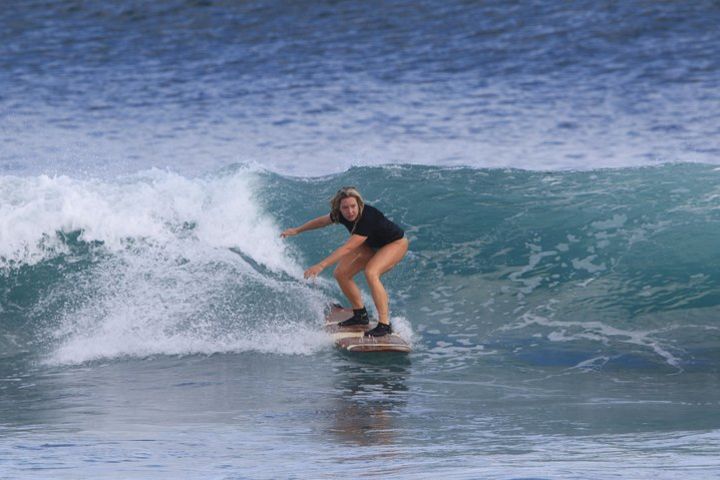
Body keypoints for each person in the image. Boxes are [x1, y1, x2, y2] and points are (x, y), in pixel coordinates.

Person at [280, 187, 408, 337]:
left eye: (353, 206)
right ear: (339, 208)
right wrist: (297, 230)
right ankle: (360, 315)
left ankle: (385, 324)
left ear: (359, 204)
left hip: (394, 243)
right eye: (345, 208)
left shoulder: (367, 217)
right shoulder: (340, 215)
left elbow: (348, 248)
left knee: (371, 272)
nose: (350, 211)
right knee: (341, 274)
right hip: (370, 245)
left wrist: (321, 265)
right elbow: (322, 221)